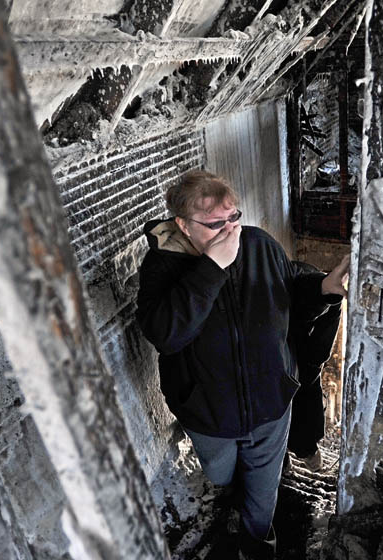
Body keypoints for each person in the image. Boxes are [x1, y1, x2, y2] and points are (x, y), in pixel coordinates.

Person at [135, 169, 347, 559]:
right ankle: (231, 499)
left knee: (262, 496)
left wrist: (323, 288)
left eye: (234, 218)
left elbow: (289, 287)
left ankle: (257, 545)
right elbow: (166, 333)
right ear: (182, 224)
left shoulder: (258, 244)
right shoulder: (162, 267)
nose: (230, 231)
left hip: (270, 404)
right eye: (215, 224)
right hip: (209, 414)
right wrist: (213, 268)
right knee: (222, 475)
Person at [287, 261, 343, 472]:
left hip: (298, 347)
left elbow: (327, 327)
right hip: (283, 338)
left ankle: (304, 450)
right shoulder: (294, 286)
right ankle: (303, 451)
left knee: (306, 385)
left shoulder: (328, 298)